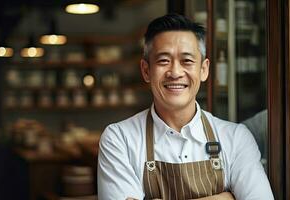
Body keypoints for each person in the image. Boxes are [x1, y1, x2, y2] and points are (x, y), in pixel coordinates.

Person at [97, 13, 274, 200]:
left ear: (204, 70)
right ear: (146, 70)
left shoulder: (236, 138)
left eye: (187, 61)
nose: (175, 72)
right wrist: (225, 198)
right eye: (163, 60)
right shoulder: (119, 139)